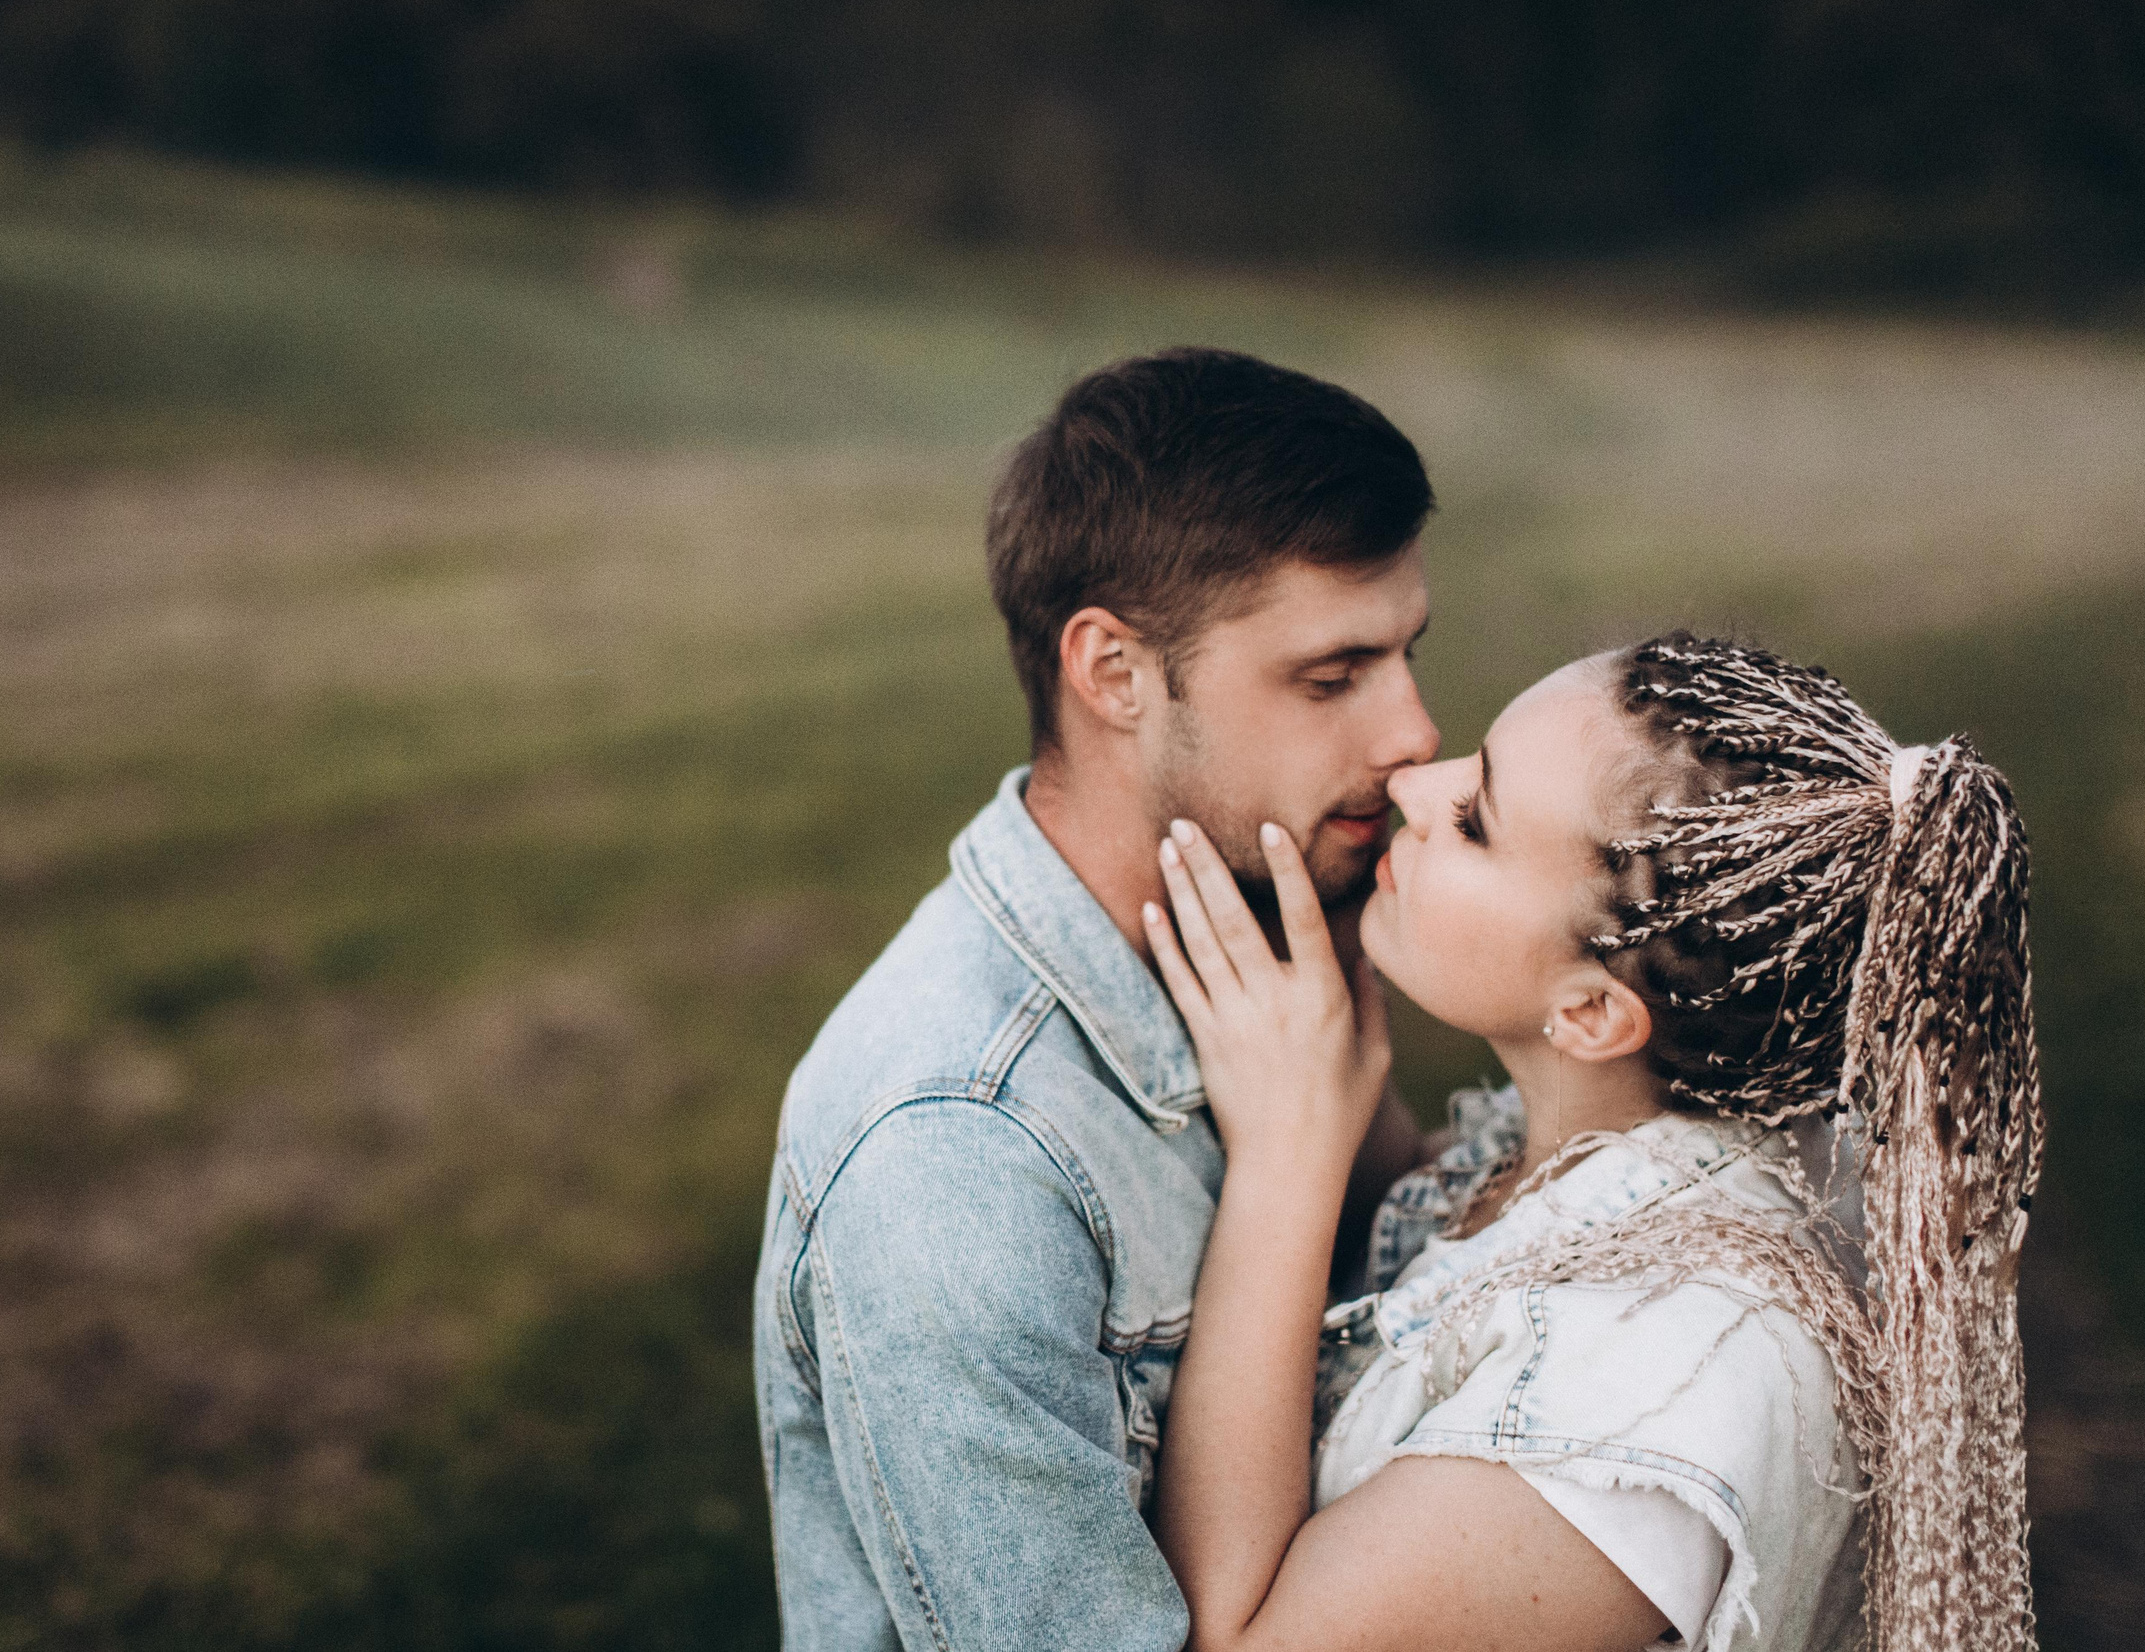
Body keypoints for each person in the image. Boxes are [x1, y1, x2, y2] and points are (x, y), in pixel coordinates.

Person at [1142, 634, 2041, 1652]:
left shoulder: (1650, 1390)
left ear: (1588, 1014)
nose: (1413, 783)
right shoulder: (1615, 1151)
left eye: (1473, 821)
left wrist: (1284, 1154)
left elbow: (1229, 1639)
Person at [753, 347, 1444, 1649]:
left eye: (1409, 651)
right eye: (1332, 673)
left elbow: (1425, 1253)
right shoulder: (954, 1155)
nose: (1413, 730)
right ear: (1115, 673)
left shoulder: (1262, 934)